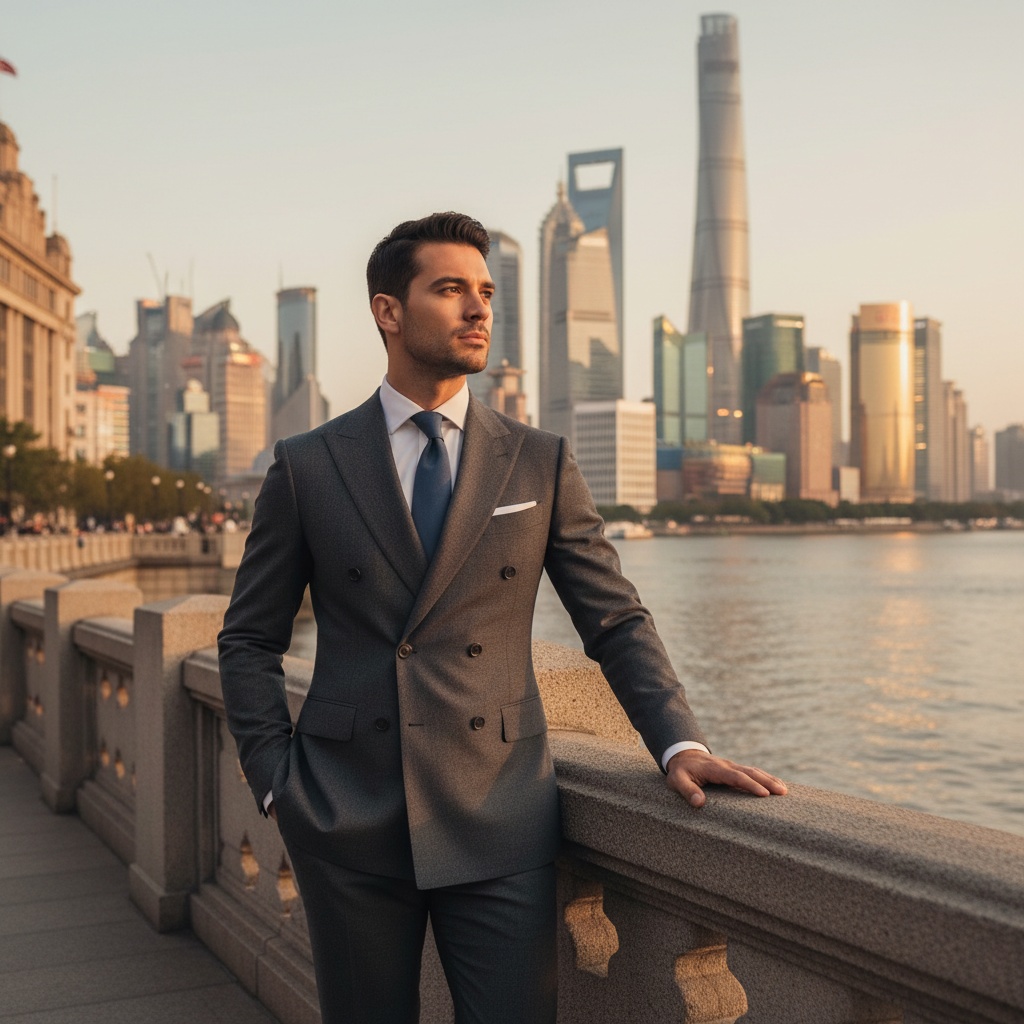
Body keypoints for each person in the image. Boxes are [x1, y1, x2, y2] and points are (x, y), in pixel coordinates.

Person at [218, 212, 786, 1024]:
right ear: (388, 311)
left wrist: (679, 743)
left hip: (499, 814)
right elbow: (249, 638)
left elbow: (614, 619)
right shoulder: (309, 464)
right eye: (451, 289)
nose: (478, 308)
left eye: (485, 292)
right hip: (345, 814)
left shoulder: (537, 459)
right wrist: (277, 781)